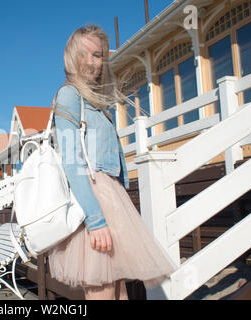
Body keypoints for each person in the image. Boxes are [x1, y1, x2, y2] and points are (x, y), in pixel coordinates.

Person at [48, 24, 178, 300]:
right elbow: (72, 162)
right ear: (71, 56)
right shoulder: (69, 95)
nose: (92, 62)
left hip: (112, 199)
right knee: (102, 290)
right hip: (93, 202)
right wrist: (95, 221)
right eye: (84, 54)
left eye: (98, 55)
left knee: (119, 292)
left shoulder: (94, 102)